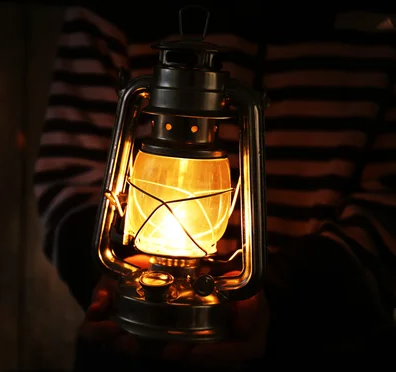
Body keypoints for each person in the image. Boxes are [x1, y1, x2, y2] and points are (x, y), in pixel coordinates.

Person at [33, 1, 396, 370]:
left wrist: (276, 299)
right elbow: (66, 177)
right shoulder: (111, 11)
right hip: (123, 353)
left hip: (319, 348)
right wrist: (108, 278)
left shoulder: (380, 24)